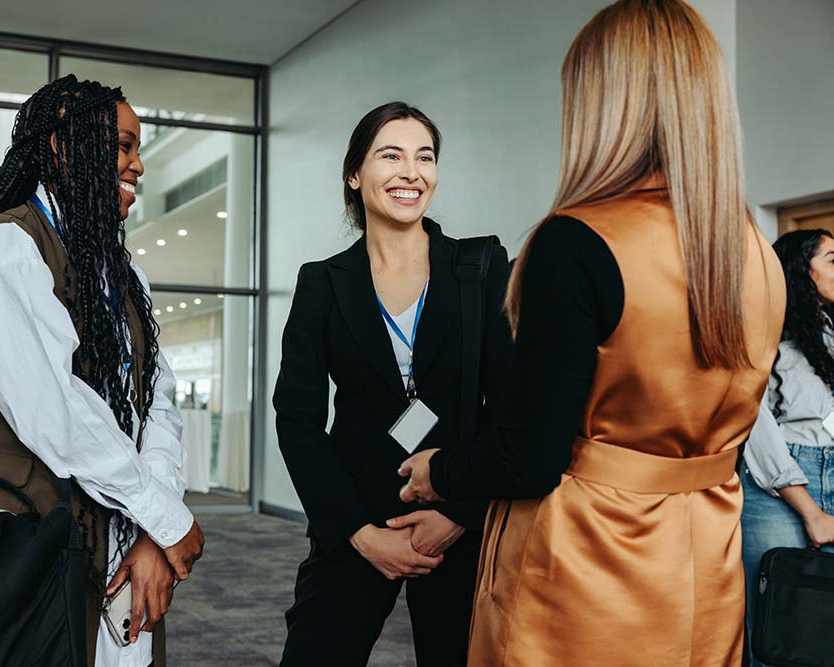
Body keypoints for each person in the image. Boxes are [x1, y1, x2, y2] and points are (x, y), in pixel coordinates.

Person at [397, 1, 785, 665]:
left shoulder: (575, 242)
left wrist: (440, 471)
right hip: (704, 560)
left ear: (605, 102)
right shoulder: (756, 254)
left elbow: (529, 453)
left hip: (587, 562)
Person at [0, 74, 204, 667]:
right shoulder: (3, 249)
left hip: (117, 547)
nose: (138, 166)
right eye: (123, 145)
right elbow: (54, 410)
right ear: (62, 145)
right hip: (14, 555)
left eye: (139, 149)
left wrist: (154, 530)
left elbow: (157, 403)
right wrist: (162, 514)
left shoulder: (124, 277)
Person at [273, 101, 511, 667]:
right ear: (355, 175)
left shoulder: (479, 268)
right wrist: (359, 533)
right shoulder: (323, 283)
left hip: (460, 517)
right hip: (357, 518)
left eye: (425, 157)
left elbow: (510, 407)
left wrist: (459, 515)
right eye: (392, 155)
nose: (412, 171)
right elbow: (297, 419)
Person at [742, 228, 834, 667]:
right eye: (833, 259)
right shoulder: (763, 331)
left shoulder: (831, 329)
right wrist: (810, 511)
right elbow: (754, 423)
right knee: (778, 625)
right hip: (780, 483)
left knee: (825, 625)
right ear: (800, 271)